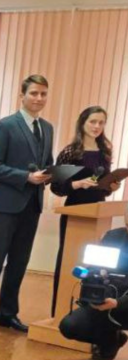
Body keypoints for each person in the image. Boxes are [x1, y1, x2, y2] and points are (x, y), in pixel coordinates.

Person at [0, 74, 54, 336]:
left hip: (33, 205)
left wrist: (53, 174)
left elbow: (47, 162)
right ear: (22, 95)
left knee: (19, 263)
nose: (39, 98)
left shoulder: (48, 128)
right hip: (5, 206)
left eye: (43, 94)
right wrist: (25, 177)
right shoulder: (6, 125)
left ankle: (8, 315)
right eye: (34, 93)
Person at [50, 106, 120, 316]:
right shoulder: (70, 152)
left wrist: (111, 186)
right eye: (92, 122)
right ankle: (61, 310)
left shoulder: (105, 151)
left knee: (95, 263)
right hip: (75, 209)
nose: (97, 126)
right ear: (82, 123)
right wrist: (78, 184)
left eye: (101, 122)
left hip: (98, 210)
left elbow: (103, 187)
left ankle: (90, 312)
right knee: (70, 258)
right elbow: (56, 187)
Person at [59, 218, 128, 360]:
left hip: (122, 303)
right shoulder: (113, 236)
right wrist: (89, 274)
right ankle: (111, 340)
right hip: (108, 297)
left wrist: (118, 303)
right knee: (69, 326)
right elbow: (95, 267)